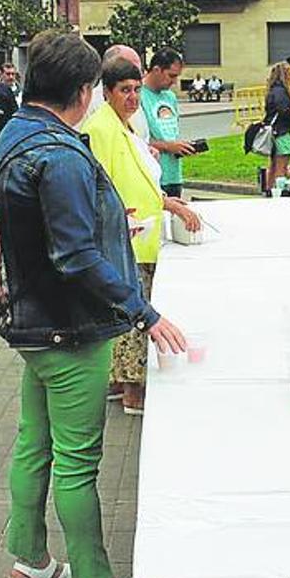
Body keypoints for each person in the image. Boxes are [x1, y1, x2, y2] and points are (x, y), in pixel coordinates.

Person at [0, 29, 185, 578]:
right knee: (76, 462)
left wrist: (102, 217)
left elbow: (43, 226)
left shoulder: (13, 136)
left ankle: (30, 561)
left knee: (35, 443)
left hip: (30, 322)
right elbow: (73, 255)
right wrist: (143, 312)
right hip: (70, 327)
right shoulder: (61, 151)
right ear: (83, 89)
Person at [83, 57, 201, 415]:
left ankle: (121, 382)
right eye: (125, 90)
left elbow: (136, 177)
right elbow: (104, 184)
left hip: (140, 230)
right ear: (107, 92)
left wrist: (165, 201)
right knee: (134, 313)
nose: (133, 97)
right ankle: (132, 388)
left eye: (136, 90)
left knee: (129, 308)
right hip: (127, 235)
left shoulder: (123, 124)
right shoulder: (101, 128)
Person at [140, 48, 191, 198]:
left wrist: (181, 147)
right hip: (153, 175)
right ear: (156, 70)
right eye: (171, 76)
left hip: (174, 175)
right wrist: (168, 147)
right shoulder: (138, 96)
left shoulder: (170, 97)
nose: (174, 82)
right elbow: (135, 140)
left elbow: (172, 132)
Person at [262, 62, 290, 194]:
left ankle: (268, 190)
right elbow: (283, 111)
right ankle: (280, 192)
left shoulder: (272, 90)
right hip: (282, 131)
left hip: (273, 131)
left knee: (273, 164)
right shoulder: (282, 91)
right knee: (282, 166)